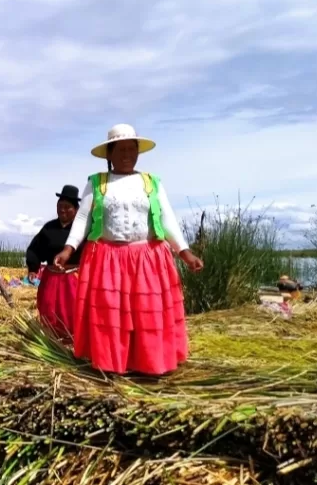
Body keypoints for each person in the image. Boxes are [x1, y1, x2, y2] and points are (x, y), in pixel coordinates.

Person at [53, 124, 203, 376]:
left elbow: (167, 218)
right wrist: (68, 249)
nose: (126, 154)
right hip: (107, 259)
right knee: (111, 315)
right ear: (109, 154)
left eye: (131, 149)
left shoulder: (151, 182)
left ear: (138, 153)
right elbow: (82, 220)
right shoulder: (97, 183)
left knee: (147, 314)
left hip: (147, 259)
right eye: (120, 149)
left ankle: (149, 363)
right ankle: (112, 364)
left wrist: (185, 252)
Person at [25, 185, 83, 339]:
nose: (62, 210)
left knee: (72, 310)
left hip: (73, 279)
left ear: (76, 210)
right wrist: (33, 268)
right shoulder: (49, 228)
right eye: (60, 206)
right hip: (51, 278)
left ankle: (73, 340)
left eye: (67, 207)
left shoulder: (81, 230)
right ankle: (52, 339)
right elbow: (34, 249)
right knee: (49, 308)